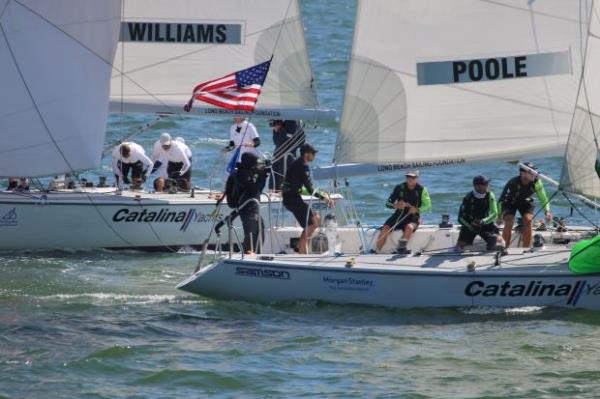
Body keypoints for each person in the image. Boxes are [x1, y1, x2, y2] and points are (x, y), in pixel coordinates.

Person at [282, 143, 333, 254]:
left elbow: (298, 186)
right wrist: (325, 198)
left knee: (316, 219)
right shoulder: (303, 166)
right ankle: (301, 250)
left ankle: (301, 246)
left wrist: (321, 194)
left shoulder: (297, 164)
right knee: (312, 223)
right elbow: (310, 190)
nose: (314, 156)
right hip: (292, 199)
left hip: (291, 197)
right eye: (313, 153)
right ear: (306, 154)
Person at [499, 162, 553, 247]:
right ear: (522, 173)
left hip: (525, 201)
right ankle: (504, 248)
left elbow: (544, 199)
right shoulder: (513, 183)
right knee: (509, 221)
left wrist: (547, 212)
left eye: (535, 172)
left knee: (528, 220)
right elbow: (501, 200)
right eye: (531, 172)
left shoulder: (537, 182)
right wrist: (499, 215)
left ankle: (526, 249)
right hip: (510, 202)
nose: (534, 174)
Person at [375, 170, 432, 252]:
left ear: (417, 178)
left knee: (409, 227)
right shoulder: (399, 187)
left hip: (413, 217)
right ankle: (376, 251)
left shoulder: (422, 190)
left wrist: (417, 209)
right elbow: (388, 203)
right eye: (408, 177)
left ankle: (400, 249)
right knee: (385, 228)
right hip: (398, 215)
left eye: (413, 177)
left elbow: (428, 205)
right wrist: (396, 205)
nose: (410, 179)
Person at [456, 175, 504, 251]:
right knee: (460, 248)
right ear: (477, 186)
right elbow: (460, 218)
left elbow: (494, 213)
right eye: (485, 184)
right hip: (470, 225)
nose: (488, 186)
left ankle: (491, 246)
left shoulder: (490, 195)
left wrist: (483, 221)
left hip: (485, 223)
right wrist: (470, 226)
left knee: (500, 244)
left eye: (487, 184)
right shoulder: (468, 198)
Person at [236, 152, 268, 254]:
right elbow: (254, 189)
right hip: (248, 210)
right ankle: (247, 257)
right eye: (255, 163)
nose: (257, 166)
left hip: (255, 209)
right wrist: (262, 175)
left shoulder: (250, 173)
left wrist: (264, 175)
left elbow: (259, 190)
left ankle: (256, 256)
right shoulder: (242, 174)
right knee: (250, 236)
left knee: (260, 234)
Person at [270, 120, 305, 190]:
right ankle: (275, 192)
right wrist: (277, 130)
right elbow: (276, 141)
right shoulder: (282, 124)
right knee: (274, 178)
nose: (274, 127)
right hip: (279, 154)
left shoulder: (292, 123)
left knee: (283, 179)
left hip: (287, 155)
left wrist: (281, 130)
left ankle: (283, 192)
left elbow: (300, 141)